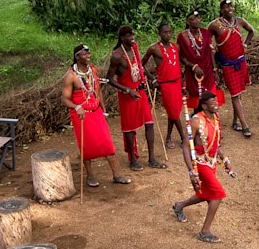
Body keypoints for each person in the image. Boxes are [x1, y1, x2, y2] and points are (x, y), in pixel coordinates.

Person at [61, 44, 127, 187]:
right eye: (84, 54)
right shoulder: (71, 75)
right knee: (86, 146)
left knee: (107, 143)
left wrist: (103, 108)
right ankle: (90, 175)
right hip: (81, 114)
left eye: (88, 53)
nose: (88, 56)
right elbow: (64, 99)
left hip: (96, 111)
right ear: (77, 56)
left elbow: (97, 90)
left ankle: (117, 174)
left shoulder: (93, 70)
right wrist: (77, 107)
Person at [171, 90, 229, 243]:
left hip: (211, 162)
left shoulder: (215, 118)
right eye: (213, 103)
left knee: (206, 193)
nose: (216, 105)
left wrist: (225, 160)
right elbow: (185, 146)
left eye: (217, 101)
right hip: (199, 163)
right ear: (204, 106)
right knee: (217, 194)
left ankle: (179, 205)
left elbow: (215, 144)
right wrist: (191, 171)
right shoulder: (196, 121)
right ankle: (205, 231)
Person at [106, 26, 163, 170]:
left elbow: (139, 67)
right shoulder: (117, 56)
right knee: (130, 128)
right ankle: (133, 160)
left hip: (140, 92)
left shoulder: (135, 49)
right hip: (127, 96)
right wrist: (127, 90)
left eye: (133, 34)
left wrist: (151, 79)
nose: (132, 37)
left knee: (149, 123)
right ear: (122, 38)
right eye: (128, 35)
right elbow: (110, 79)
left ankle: (152, 159)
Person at [208, 0, 258, 137]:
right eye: (225, 7)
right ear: (221, 9)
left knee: (239, 92)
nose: (229, 9)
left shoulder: (240, 21)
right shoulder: (214, 25)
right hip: (228, 64)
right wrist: (214, 66)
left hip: (240, 62)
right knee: (235, 94)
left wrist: (245, 45)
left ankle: (235, 121)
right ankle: (244, 125)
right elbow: (208, 44)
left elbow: (251, 31)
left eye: (231, 6)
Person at [149, 21, 188, 151]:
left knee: (174, 112)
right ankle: (184, 137)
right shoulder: (154, 48)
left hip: (177, 83)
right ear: (159, 34)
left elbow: (178, 66)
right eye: (165, 32)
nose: (168, 34)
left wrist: (183, 85)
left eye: (170, 32)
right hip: (165, 85)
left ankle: (168, 137)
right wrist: (152, 79)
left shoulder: (175, 47)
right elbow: (141, 64)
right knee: (174, 114)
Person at [177, 10, 218, 112]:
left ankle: (211, 123)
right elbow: (181, 56)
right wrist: (193, 66)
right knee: (196, 101)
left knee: (210, 100)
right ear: (187, 22)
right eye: (192, 19)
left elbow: (211, 51)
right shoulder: (182, 36)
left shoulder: (206, 33)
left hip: (207, 71)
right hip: (193, 73)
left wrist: (215, 70)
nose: (196, 21)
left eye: (198, 18)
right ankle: (197, 121)